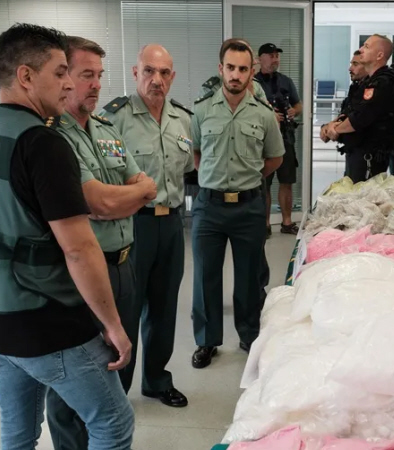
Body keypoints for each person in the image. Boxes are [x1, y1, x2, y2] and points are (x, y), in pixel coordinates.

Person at [0, 23, 134, 449]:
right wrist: (113, 325)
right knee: (113, 423)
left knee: (18, 433)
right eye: (59, 72)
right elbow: (79, 248)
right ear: (25, 76)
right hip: (43, 322)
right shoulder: (43, 143)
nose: (69, 82)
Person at [43, 36, 158, 450]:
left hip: (125, 266)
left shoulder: (106, 129)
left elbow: (146, 186)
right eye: (85, 75)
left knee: (118, 367)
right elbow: (100, 202)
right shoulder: (53, 138)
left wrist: (123, 196)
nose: (95, 84)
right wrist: (125, 197)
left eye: (99, 75)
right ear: (63, 77)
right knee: (73, 383)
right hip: (82, 274)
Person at [100, 43, 194, 408]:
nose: (157, 79)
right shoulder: (114, 120)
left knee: (164, 306)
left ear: (173, 76)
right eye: (149, 71)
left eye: (164, 72)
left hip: (171, 224)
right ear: (135, 73)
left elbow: (187, 170)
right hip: (131, 225)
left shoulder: (182, 119)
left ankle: (156, 380)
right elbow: (105, 178)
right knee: (127, 309)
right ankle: (117, 391)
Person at [190, 38, 284, 369]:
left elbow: (274, 157)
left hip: (248, 206)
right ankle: (206, 341)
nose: (236, 75)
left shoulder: (264, 114)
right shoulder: (201, 110)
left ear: (251, 72)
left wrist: (249, 177)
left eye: (243, 69)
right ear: (221, 69)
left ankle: (249, 335)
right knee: (205, 277)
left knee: (249, 277)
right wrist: (215, 177)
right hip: (209, 207)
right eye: (230, 67)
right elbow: (197, 154)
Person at [322, 34, 394, 182]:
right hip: (357, 152)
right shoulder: (368, 82)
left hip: (370, 156)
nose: (361, 49)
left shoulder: (384, 82)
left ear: (379, 55)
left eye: (366, 46)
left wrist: (335, 129)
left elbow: (360, 117)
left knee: (361, 195)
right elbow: (350, 111)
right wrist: (331, 125)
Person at [254, 43, 302, 236]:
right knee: (264, 183)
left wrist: (293, 111)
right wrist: (269, 114)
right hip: (263, 141)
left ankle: (287, 222)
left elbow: (298, 105)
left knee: (287, 181)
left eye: (277, 56)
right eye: (271, 56)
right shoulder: (253, 83)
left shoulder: (286, 81)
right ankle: (265, 224)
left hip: (285, 139)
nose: (275, 60)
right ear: (260, 59)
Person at [320, 51, 367, 159]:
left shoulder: (371, 89)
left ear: (367, 66)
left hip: (365, 153)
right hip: (352, 151)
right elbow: (345, 114)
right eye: (351, 64)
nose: (350, 68)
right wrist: (328, 126)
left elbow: (357, 120)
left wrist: (333, 129)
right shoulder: (355, 88)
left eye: (355, 64)